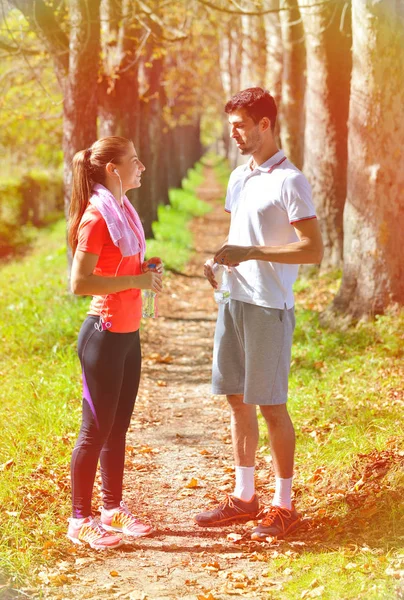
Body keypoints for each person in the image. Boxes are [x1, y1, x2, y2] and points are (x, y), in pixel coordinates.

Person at [195, 88, 324, 540]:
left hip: (270, 308)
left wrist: (250, 252)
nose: (233, 134)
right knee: (237, 400)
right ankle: (245, 497)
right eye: (231, 125)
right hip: (233, 302)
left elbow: (313, 250)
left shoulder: (291, 181)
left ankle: (284, 505)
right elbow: (241, 231)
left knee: (272, 406)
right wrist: (219, 266)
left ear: (264, 124)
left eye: (239, 126)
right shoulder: (238, 177)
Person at [67, 136, 163, 549]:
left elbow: (117, 266)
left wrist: (146, 269)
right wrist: (136, 280)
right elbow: (80, 283)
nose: (141, 166)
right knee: (95, 429)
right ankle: (79, 520)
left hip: (128, 335)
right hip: (102, 336)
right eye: (134, 160)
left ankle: (111, 510)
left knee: (118, 427)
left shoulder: (123, 211)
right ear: (113, 169)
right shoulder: (97, 217)